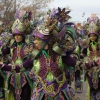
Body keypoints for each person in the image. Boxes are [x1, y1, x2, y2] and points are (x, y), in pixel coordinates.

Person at [30, 7, 79, 100]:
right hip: (41, 95)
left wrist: (93, 64)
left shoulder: (60, 55)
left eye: (38, 39)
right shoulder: (35, 55)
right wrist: (3, 66)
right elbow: (21, 67)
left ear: (47, 41)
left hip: (60, 94)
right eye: (35, 39)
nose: (35, 42)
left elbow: (77, 64)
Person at [0, 10, 34, 100]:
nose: (17, 37)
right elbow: (2, 52)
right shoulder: (12, 46)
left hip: (26, 75)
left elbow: (30, 61)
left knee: (26, 96)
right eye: (15, 35)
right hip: (13, 76)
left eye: (19, 35)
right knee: (15, 96)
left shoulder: (28, 46)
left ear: (23, 35)